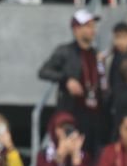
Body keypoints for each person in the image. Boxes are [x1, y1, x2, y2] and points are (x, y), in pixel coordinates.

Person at [38, 10, 107, 151]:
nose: (92, 30)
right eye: (88, 26)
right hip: (73, 113)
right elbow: (44, 71)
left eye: (93, 26)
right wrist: (66, 80)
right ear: (76, 30)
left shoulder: (96, 54)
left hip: (95, 116)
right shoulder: (65, 51)